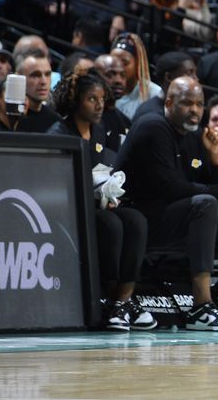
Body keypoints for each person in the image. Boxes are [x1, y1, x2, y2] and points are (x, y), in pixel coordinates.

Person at [115, 76, 218, 331]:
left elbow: (211, 185)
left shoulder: (195, 135)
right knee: (206, 204)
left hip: (183, 216)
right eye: (187, 103)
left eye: (199, 104)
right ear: (169, 102)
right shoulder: (154, 126)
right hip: (143, 217)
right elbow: (170, 188)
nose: (195, 110)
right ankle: (202, 306)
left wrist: (216, 157)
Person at [47, 71, 154, 331]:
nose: (98, 105)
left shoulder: (99, 130)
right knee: (111, 225)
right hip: (66, 209)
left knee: (136, 220)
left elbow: (99, 170)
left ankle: (123, 300)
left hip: (93, 203)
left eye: (102, 99)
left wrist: (108, 191)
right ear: (74, 101)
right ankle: (104, 297)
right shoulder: (59, 133)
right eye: (91, 99)